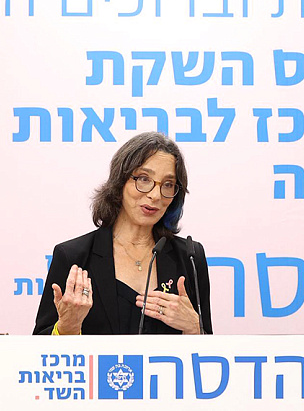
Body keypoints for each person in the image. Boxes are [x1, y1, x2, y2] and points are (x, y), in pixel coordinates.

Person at [33, 132, 213, 335]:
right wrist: (68, 326)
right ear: (120, 182)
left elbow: (210, 350)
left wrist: (194, 328)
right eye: (144, 179)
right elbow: (38, 348)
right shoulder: (73, 256)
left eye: (168, 185)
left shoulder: (190, 257)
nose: (155, 195)